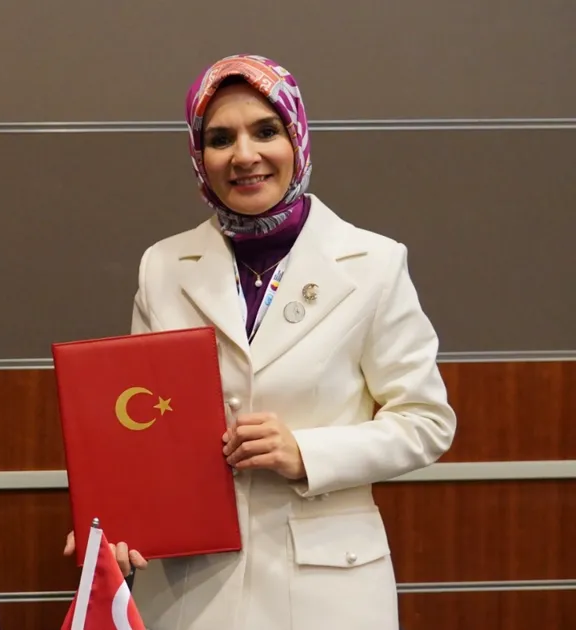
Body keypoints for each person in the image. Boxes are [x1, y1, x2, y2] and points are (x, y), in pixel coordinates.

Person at [62, 54, 456, 630]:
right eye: (220, 139)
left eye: (265, 131)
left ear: (297, 137)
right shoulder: (164, 265)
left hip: (328, 588)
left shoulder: (373, 262)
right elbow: (142, 430)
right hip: (192, 590)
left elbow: (426, 422)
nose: (244, 156)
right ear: (199, 156)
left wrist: (307, 453)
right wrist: (117, 520)